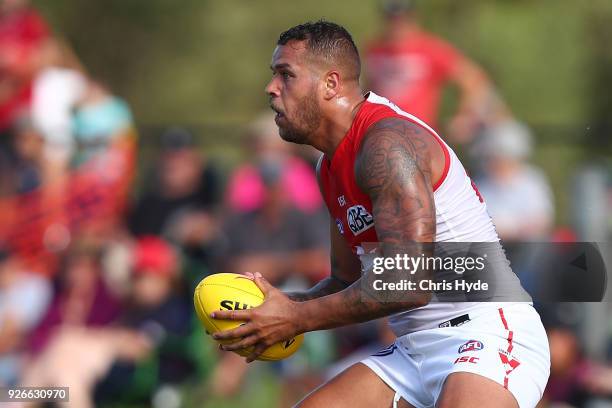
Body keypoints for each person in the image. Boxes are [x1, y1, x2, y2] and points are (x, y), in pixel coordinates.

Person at [212, 21, 550, 408]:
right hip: (412, 351)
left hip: (487, 333)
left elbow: (407, 283)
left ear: (330, 84)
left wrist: (297, 318)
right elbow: (346, 280)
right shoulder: (328, 166)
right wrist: (283, 308)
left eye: (285, 74)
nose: (271, 88)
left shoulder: (387, 144)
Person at [364, 0, 509, 142]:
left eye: (402, 18)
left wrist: (464, 116)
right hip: (380, 133)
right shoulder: (374, 49)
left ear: (413, 18)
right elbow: (367, 88)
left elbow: (473, 78)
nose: (397, 24)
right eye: (392, 18)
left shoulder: (430, 49)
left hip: (419, 136)